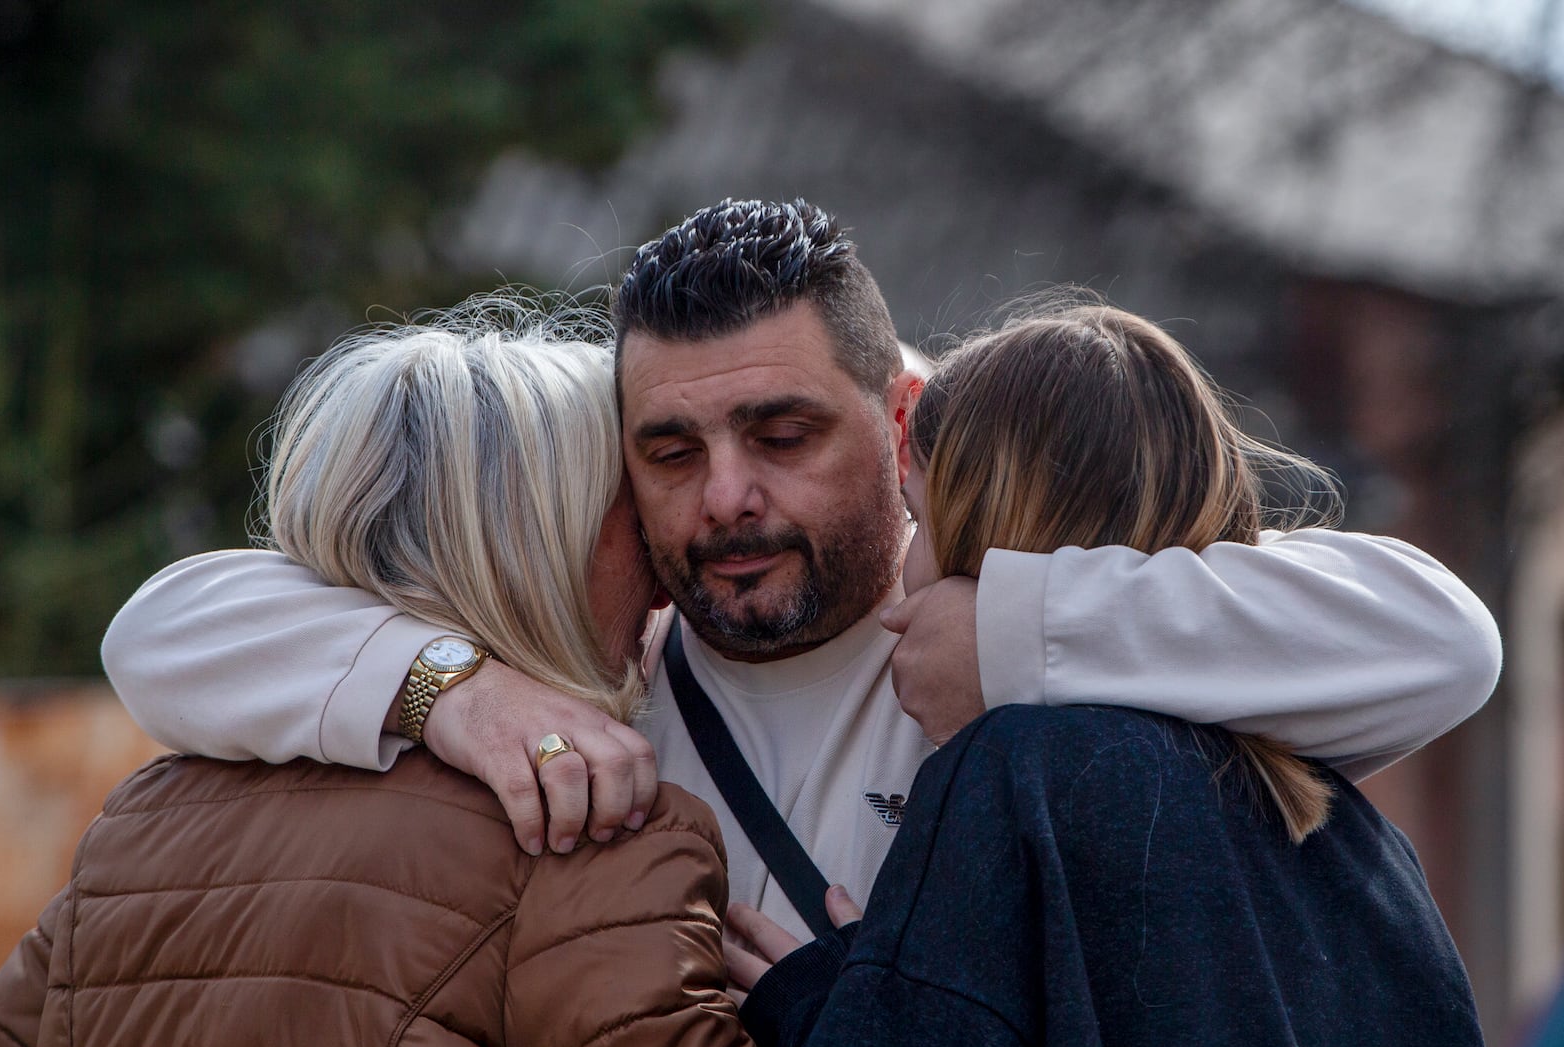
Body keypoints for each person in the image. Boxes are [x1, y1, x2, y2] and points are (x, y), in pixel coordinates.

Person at [98, 199, 1501, 943]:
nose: (724, 498)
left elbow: (1441, 639)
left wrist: (1015, 633)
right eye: (668, 448)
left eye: (780, 432)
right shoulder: (598, 681)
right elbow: (160, 629)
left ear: (900, 417)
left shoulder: (1047, 617)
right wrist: (448, 689)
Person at [0, 300, 760, 1047]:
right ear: (536, 557)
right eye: (633, 523)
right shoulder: (596, 836)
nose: (664, 580)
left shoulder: (135, 828)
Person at [728, 303, 1486, 1047]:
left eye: (919, 520)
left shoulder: (1008, 776)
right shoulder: (1365, 848)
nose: (908, 570)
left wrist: (841, 1008)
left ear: (989, 524)